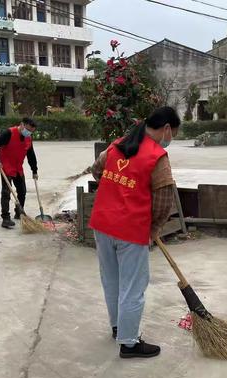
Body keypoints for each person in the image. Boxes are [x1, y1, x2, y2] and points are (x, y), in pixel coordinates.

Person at [89, 106, 181, 359]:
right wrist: (155, 228)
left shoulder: (118, 145)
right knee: (133, 287)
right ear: (165, 129)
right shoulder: (157, 157)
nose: (171, 138)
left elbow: (97, 170)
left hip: (102, 223)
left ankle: (119, 326)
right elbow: (164, 200)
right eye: (173, 133)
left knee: (112, 280)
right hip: (130, 229)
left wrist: (114, 190)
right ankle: (129, 343)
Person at [0, 118, 38, 229]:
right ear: (22, 125)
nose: (29, 133)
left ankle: (19, 212)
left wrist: (34, 170)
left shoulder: (28, 138)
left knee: (22, 191)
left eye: (31, 131)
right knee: (6, 192)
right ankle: (5, 218)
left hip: (18, 167)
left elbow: (31, 155)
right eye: (27, 130)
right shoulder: (8, 133)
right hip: (6, 167)